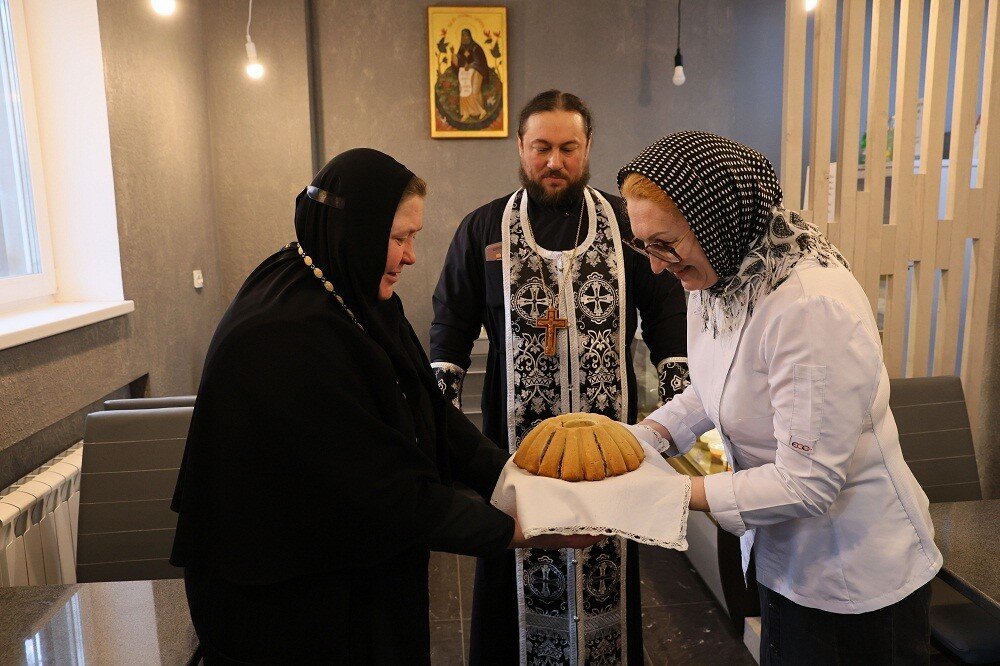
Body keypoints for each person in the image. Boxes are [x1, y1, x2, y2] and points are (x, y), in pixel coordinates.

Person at [170, 148, 597, 664]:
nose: (411, 255)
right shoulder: (283, 336)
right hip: (287, 601)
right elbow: (380, 491)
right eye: (400, 238)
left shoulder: (353, 289)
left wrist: (513, 477)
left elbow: (432, 414)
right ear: (358, 231)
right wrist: (515, 529)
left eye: (411, 237)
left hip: (349, 570)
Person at [618, 132, 942, 664]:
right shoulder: (719, 277)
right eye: (643, 245)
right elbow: (714, 385)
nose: (656, 266)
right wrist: (643, 439)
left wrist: (670, 495)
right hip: (786, 561)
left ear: (717, 220)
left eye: (665, 244)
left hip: (857, 575)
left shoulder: (810, 307)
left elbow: (807, 481)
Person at [430, 90, 688, 665]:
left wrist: (680, 394)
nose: (554, 161)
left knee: (609, 574)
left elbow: (668, 309)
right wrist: (435, 427)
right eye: (542, 147)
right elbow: (450, 324)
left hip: (609, 450)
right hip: (517, 450)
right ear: (520, 147)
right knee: (512, 574)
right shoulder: (483, 230)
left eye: (568, 148)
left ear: (588, 148)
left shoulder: (625, 225)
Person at [450, 28, 490, 121]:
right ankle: (466, 113)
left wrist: (471, 65)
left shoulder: (476, 48)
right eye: (461, 36)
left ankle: (481, 111)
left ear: (469, 36)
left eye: (464, 36)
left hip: (477, 71)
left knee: (474, 91)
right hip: (465, 74)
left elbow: (480, 62)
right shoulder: (462, 48)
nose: (462, 38)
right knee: (463, 90)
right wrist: (453, 55)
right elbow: (459, 61)